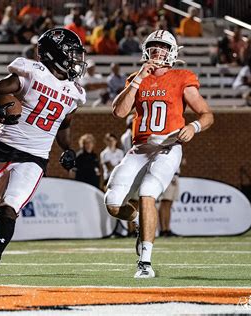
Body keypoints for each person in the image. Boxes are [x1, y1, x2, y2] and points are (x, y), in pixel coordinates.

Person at [0, 27, 87, 291]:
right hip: (3, 148)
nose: (76, 60)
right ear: (53, 53)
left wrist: (66, 149)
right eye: (70, 54)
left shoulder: (74, 92)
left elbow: (64, 124)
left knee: (11, 206)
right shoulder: (31, 74)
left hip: (35, 157)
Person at [104, 30, 213, 278]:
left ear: (172, 52)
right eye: (153, 47)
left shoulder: (182, 77)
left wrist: (193, 127)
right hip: (140, 148)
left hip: (168, 146)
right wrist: (137, 80)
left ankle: (145, 262)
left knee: (148, 192)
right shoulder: (136, 78)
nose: (157, 51)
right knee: (112, 204)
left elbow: (207, 115)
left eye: (163, 47)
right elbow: (119, 113)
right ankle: (139, 220)